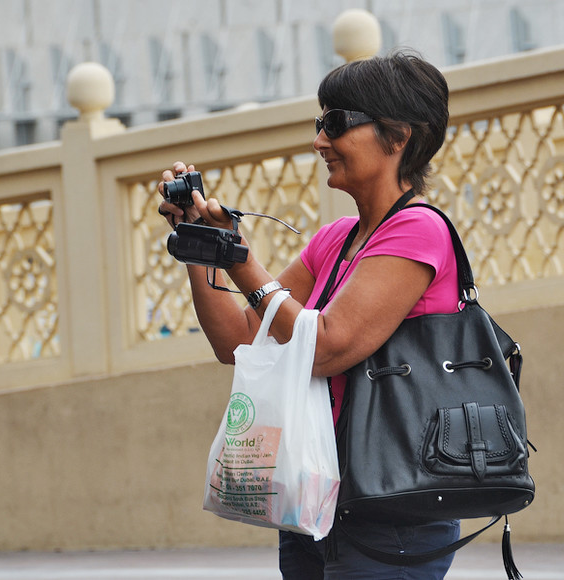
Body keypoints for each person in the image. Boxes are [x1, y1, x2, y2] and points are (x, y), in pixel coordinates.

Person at [158, 51, 461, 579]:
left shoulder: (419, 230)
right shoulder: (333, 240)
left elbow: (324, 347)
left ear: (399, 135)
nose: (320, 140)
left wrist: (241, 259)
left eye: (336, 123)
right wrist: (201, 247)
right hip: (318, 499)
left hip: (392, 507)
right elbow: (238, 343)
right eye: (319, 123)